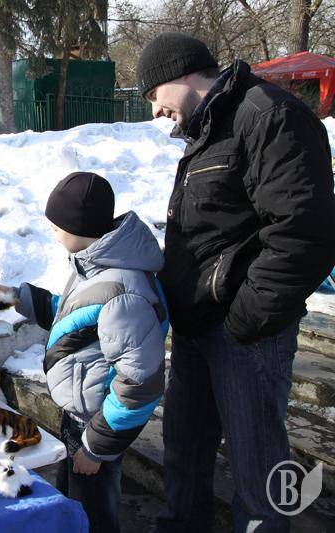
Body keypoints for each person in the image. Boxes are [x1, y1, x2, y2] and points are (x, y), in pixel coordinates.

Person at [137, 32, 335, 532]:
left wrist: (246, 319)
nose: (155, 110)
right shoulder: (208, 127)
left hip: (246, 334)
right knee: (184, 451)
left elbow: (303, 233)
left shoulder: (269, 116)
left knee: (258, 469)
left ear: (180, 74)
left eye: (154, 95)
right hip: (198, 328)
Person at [12, 172, 168, 533]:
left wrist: (96, 448)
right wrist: (20, 298)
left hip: (97, 426)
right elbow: (78, 319)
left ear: (78, 226)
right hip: (79, 417)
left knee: (93, 517)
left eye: (56, 227)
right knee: (72, 508)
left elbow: (140, 382)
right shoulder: (97, 265)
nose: (53, 233)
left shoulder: (124, 291)